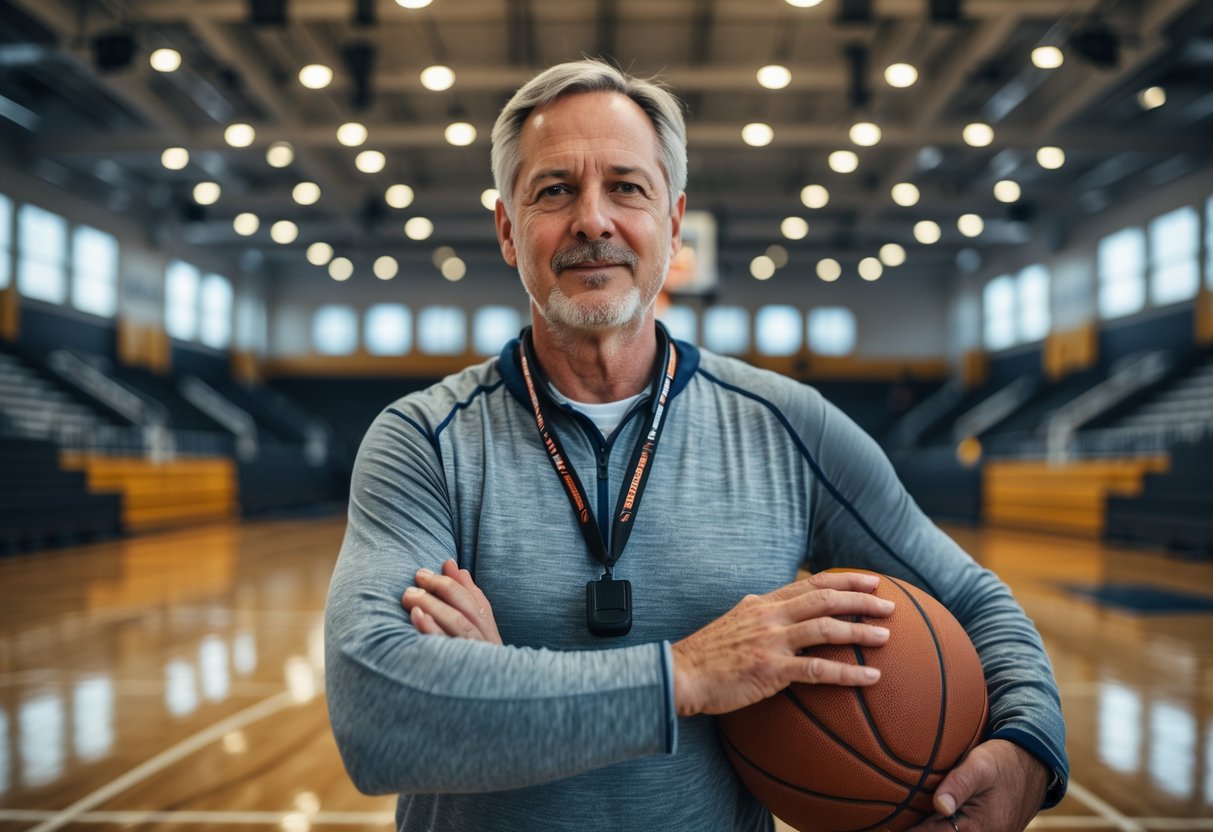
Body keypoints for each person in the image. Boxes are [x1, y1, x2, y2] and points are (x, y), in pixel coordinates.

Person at [324, 58, 1068, 832]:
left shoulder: (787, 426)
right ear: (509, 230)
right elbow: (376, 715)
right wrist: (685, 675)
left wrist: (1028, 743)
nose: (592, 221)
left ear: (673, 224)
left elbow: (974, 601)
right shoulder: (422, 441)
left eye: (626, 186)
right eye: (553, 191)